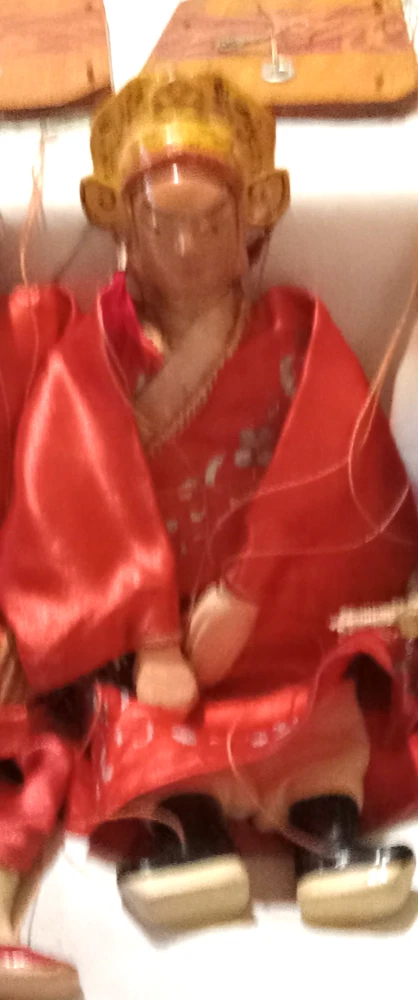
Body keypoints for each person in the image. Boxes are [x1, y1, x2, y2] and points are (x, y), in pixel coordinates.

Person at [1, 68, 418, 991]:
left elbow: (335, 470)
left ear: (254, 218)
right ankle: (181, 831)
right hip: (157, 635)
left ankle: (327, 830)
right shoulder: (92, 358)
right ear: (120, 223)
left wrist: (252, 590)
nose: (187, 246)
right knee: (149, 720)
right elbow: (72, 499)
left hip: (275, 619)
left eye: (211, 222)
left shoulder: (295, 334)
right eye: (162, 224)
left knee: (320, 702)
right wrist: (151, 634)